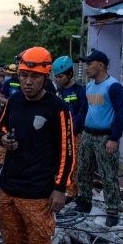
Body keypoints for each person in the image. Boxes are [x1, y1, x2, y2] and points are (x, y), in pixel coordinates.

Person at [0, 47, 74, 244]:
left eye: (34, 77)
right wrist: (3, 139)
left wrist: (60, 188)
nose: (28, 82)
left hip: (38, 193)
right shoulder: (15, 100)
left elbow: (68, 151)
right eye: (23, 75)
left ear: (45, 77)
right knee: (13, 243)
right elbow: (1, 127)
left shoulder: (57, 108)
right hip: (8, 188)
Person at [75, 49, 123, 227]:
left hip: (105, 137)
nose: (86, 67)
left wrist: (114, 138)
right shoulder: (88, 87)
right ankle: (84, 202)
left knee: (108, 175)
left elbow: (120, 112)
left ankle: (112, 210)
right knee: (83, 170)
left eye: (89, 64)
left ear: (100, 65)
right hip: (88, 134)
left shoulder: (113, 86)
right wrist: (75, 130)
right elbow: (84, 110)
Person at [53, 56, 87, 203]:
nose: (57, 80)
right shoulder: (58, 93)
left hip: (76, 133)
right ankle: (71, 192)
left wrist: (74, 130)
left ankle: (81, 194)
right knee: (65, 164)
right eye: (56, 77)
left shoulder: (80, 91)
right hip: (61, 134)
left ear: (70, 74)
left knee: (77, 164)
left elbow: (83, 113)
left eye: (60, 77)